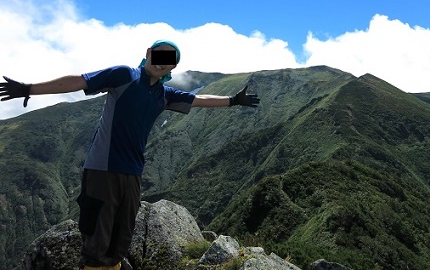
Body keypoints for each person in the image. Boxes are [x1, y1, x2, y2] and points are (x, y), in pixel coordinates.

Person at [0, 40, 260, 270]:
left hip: (133, 173)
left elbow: (198, 99)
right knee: (97, 235)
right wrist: (29, 89)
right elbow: (80, 80)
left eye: (169, 60)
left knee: (122, 235)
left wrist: (233, 100)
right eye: (159, 55)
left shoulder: (164, 95)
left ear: (172, 68)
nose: (161, 63)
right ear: (148, 53)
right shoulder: (124, 75)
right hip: (103, 168)